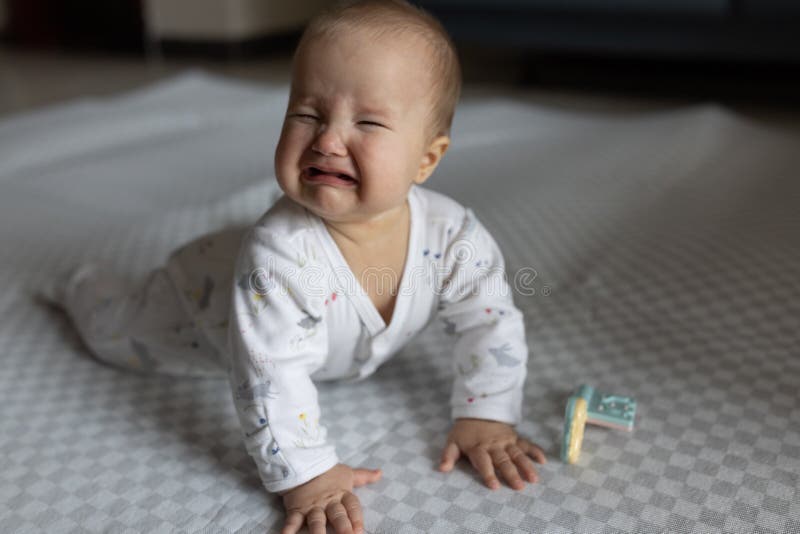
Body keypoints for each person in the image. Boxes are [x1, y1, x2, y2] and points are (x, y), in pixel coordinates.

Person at [38, 1, 546, 533]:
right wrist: (307, 474)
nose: (327, 140)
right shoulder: (278, 255)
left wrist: (486, 412)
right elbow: (269, 373)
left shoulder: (453, 237)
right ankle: (80, 280)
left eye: (368, 122)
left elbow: (489, 320)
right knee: (112, 332)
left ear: (427, 158)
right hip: (192, 304)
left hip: (256, 278)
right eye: (307, 114)